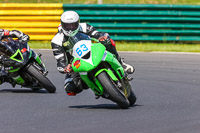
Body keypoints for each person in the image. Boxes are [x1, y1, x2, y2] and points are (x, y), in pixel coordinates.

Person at [51, 11, 135, 96]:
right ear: (62, 24)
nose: (70, 28)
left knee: (108, 41)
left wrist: (102, 37)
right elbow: (60, 61)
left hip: (93, 51)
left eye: (73, 25)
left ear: (77, 23)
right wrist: (65, 68)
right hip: (76, 64)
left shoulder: (83, 27)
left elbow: (97, 33)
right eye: (67, 25)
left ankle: (121, 63)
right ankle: (96, 87)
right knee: (70, 88)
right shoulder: (57, 40)